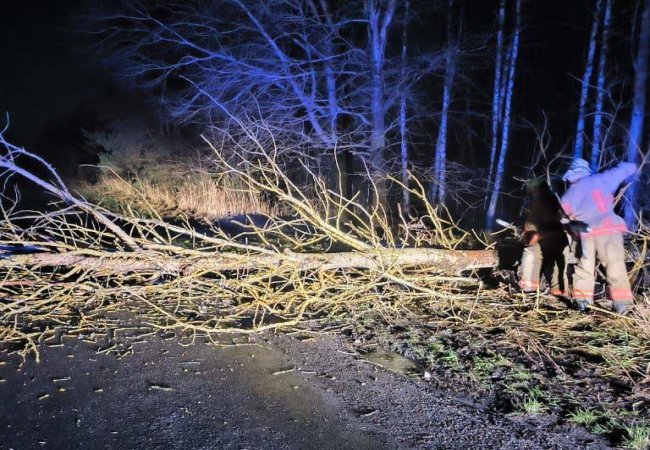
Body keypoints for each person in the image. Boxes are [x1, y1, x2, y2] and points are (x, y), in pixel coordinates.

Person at [560, 158, 637, 314]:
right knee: (614, 264)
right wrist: (631, 167)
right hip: (608, 228)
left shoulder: (569, 195)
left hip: (587, 231)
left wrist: (571, 224)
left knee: (585, 264)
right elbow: (619, 172)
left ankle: (582, 301)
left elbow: (564, 217)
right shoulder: (599, 180)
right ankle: (623, 304)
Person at [519, 179, 569, 295]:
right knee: (558, 263)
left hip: (551, 237)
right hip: (555, 237)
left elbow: (544, 221)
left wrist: (536, 234)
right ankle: (558, 291)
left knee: (531, 255)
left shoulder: (545, 200)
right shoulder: (548, 199)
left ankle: (530, 289)